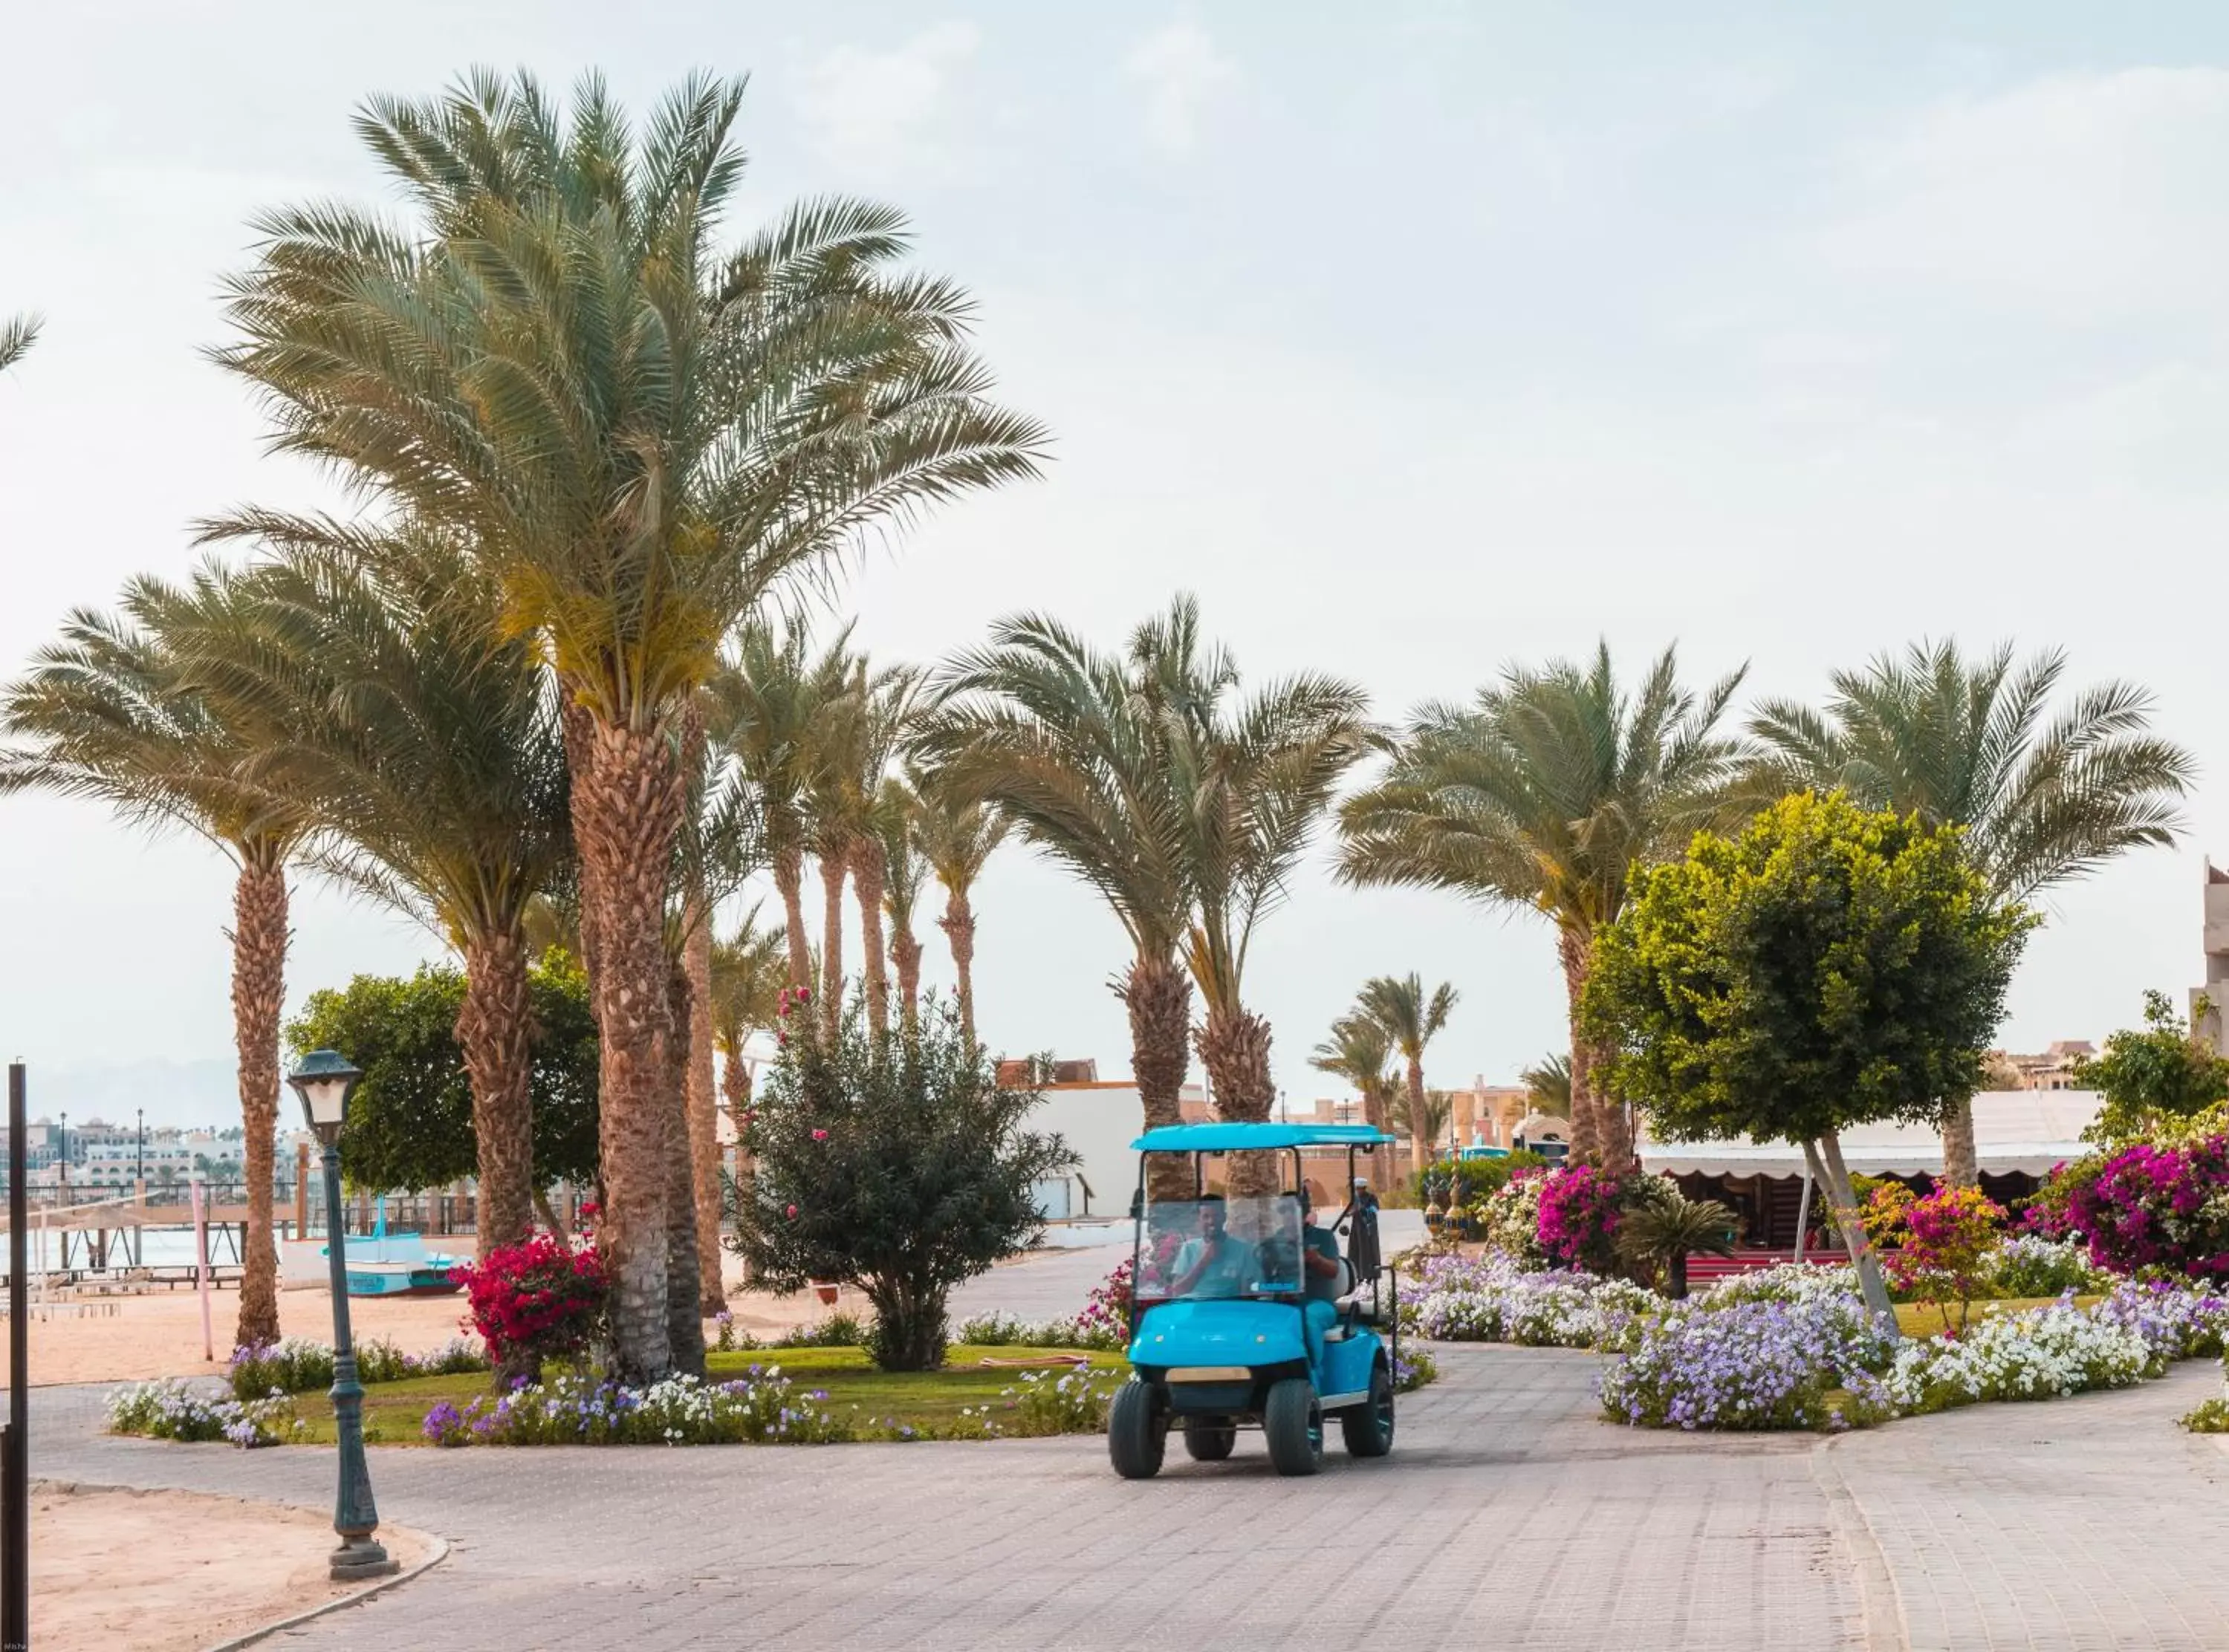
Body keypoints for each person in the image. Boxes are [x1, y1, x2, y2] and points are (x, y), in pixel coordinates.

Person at [1167, 1196, 1249, 1298]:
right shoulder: (1189, 1248)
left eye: (1216, 1216)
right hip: (1195, 1307)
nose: (1211, 1221)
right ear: (1199, 1219)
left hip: (1228, 1307)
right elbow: (1178, 1291)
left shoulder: (1241, 1249)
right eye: (1206, 1217)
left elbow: (1247, 1292)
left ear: (1224, 1217)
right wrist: (1205, 1260)